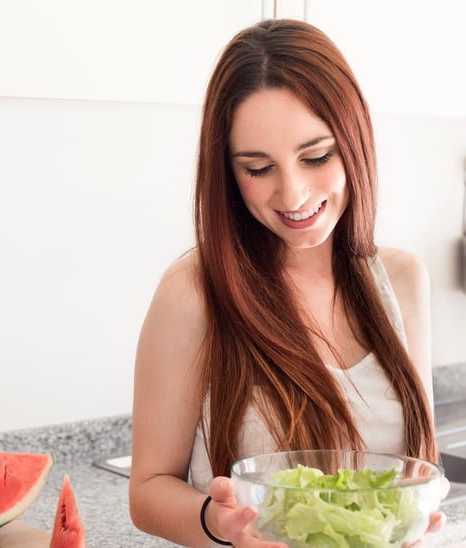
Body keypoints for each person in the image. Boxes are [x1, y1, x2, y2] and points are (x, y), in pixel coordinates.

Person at [129, 18, 447, 547]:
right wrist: (223, 524)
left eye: (316, 157)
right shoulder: (192, 290)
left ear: (354, 142)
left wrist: (414, 517)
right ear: (228, 173)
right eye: (259, 168)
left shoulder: (403, 279)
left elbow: (421, 467)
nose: (294, 194)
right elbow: (148, 491)